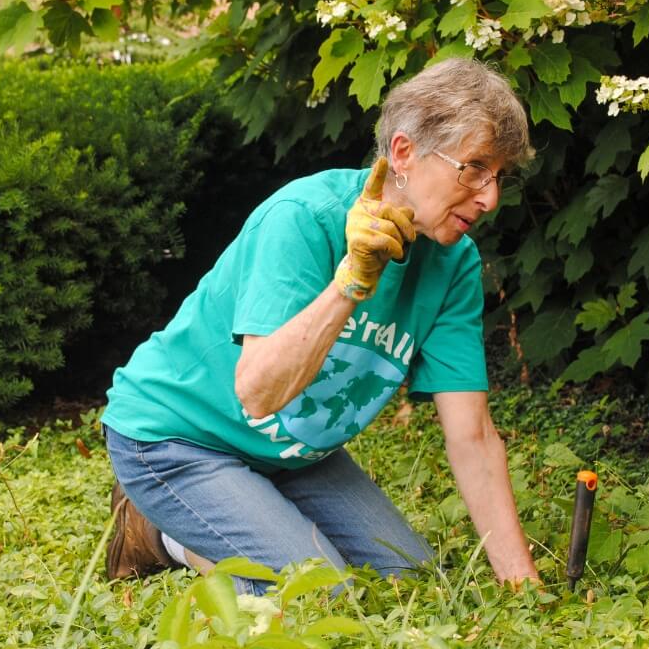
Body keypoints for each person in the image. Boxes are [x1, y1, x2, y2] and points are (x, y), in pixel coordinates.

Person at [102, 58, 540, 594]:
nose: (490, 197)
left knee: (411, 582)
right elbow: (258, 395)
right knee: (321, 594)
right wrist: (349, 284)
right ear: (404, 152)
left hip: (291, 457)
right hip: (177, 439)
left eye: (499, 176)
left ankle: (247, 505)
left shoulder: (454, 264)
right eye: (474, 168)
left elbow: (472, 436)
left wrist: (523, 586)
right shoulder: (304, 217)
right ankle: (162, 533)